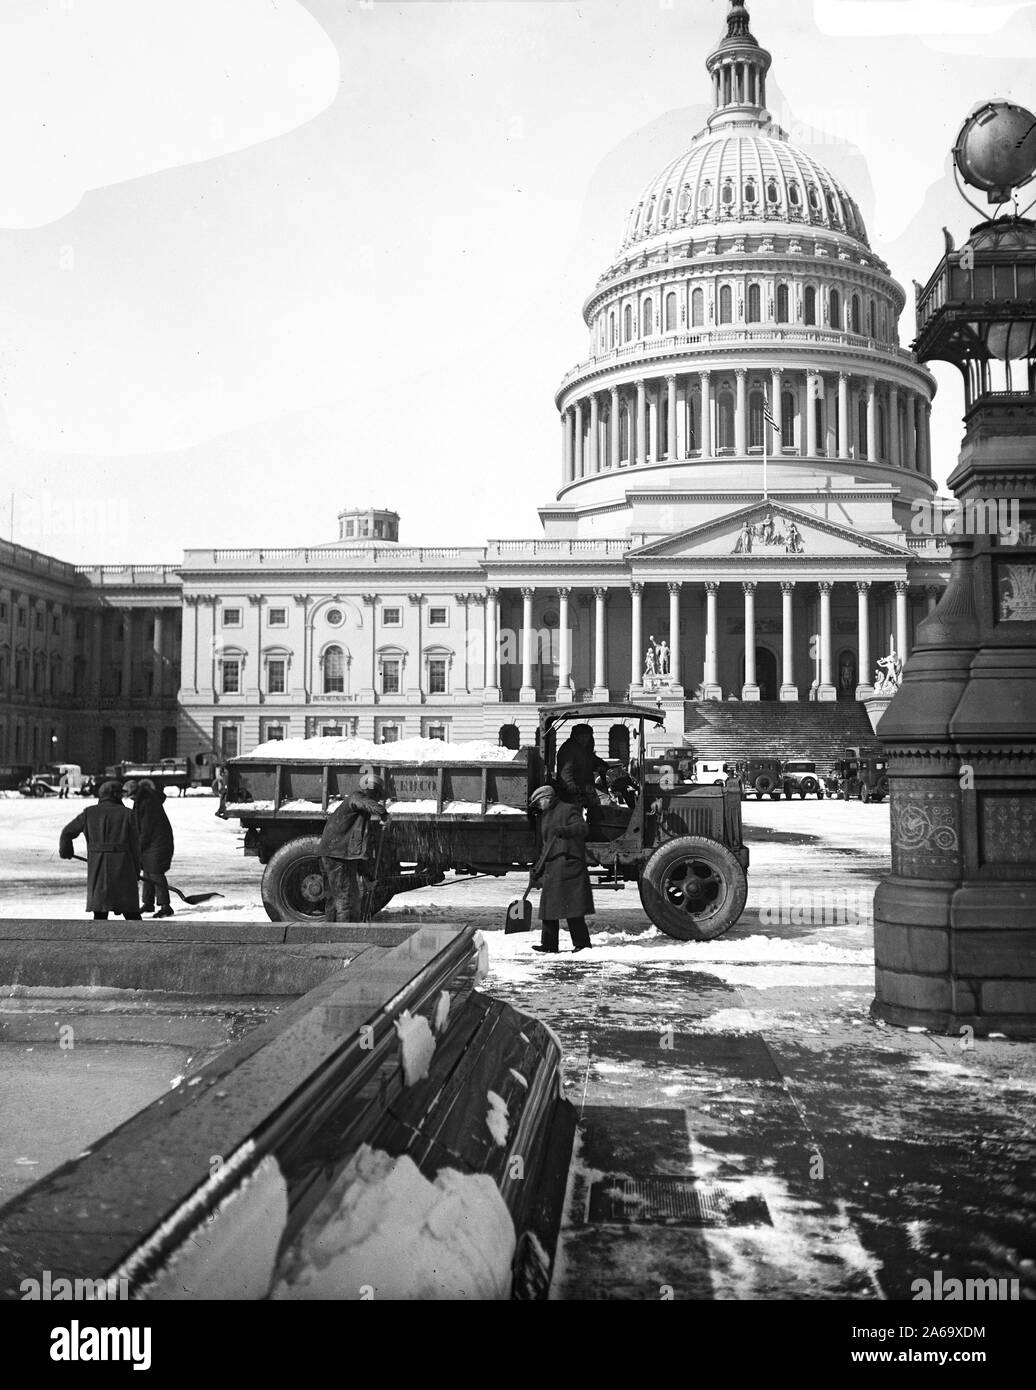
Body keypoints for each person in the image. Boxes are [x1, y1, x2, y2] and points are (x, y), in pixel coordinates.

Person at [58, 782, 142, 920]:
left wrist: (65, 851)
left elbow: (67, 832)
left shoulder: (88, 813)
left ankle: (98, 940)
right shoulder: (128, 814)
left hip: (97, 868)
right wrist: (136, 871)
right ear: (115, 795)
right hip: (124, 868)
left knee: (100, 911)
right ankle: (141, 939)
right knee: (131, 913)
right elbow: (135, 846)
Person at [317, 770, 390, 921]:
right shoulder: (356, 797)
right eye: (376, 795)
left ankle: (329, 937)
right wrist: (383, 813)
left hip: (333, 854)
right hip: (337, 856)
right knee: (347, 900)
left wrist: (367, 876)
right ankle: (346, 939)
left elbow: (357, 851)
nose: (377, 799)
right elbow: (366, 803)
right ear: (370, 790)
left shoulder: (359, 817)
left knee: (333, 900)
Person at [528, 785, 593, 954]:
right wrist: (538, 869)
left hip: (570, 865)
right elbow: (546, 846)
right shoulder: (545, 816)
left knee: (573, 908)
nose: (539, 806)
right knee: (549, 908)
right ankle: (549, 945)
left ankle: (582, 944)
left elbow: (583, 828)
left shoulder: (568, 809)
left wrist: (566, 830)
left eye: (539, 802)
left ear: (547, 798)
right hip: (554, 866)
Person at [125, 778, 176, 918]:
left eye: (131, 796)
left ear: (135, 792)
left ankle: (165, 906)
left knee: (155, 872)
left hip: (158, 842)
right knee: (147, 872)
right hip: (153, 842)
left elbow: (146, 829)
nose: (130, 799)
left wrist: (137, 846)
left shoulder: (147, 802)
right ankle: (148, 903)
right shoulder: (143, 799)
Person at [554, 723, 606, 838]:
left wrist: (602, 765)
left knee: (598, 806)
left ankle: (595, 833)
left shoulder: (584, 750)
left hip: (585, 786)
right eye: (582, 736)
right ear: (576, 736)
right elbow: (566, 769)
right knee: (576, 814)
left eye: (587, 736)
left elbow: (592, 760)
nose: (585, 739)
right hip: (573, 790)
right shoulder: (569, 749)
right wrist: (570, 785)